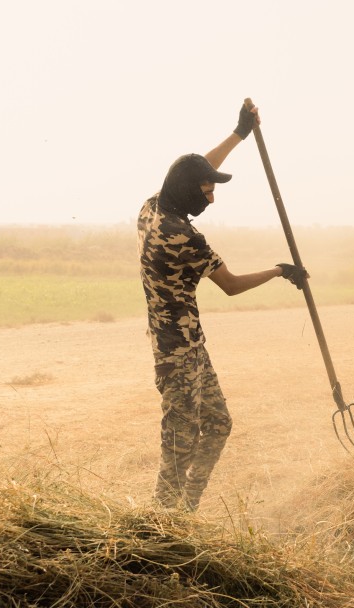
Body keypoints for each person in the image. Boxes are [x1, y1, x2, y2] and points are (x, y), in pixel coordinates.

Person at [138, 103, 308, 512]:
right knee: (179, 447)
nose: (211, 198)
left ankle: (188, 508)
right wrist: (280, 270)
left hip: (190, 345)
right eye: (207, 191)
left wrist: (239, 134)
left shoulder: (152, 209)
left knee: (217, 425)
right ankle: (161, 529)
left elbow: (194, 170)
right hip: (176, 354)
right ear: (189, 192)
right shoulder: (181, 237)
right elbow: (230, 285)